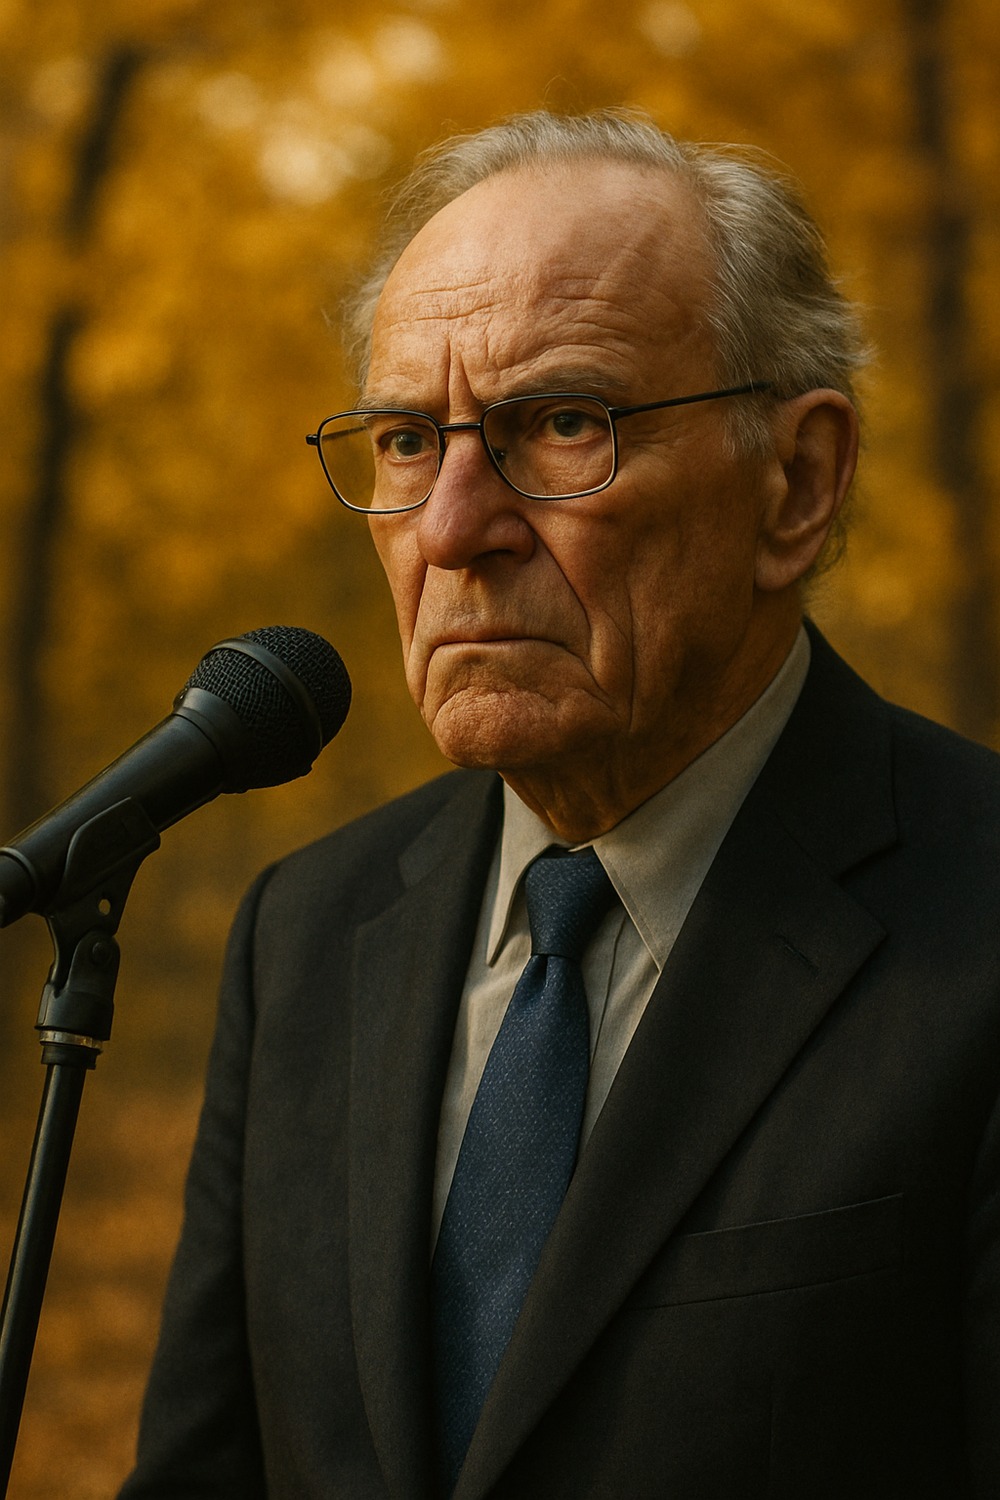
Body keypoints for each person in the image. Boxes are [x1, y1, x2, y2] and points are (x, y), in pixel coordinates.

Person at [119, 110, 1000, 1499]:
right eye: (409, 440)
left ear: (797, 482)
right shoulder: (304, 933)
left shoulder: (978, 916)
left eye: (562, 422)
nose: (455, 527)